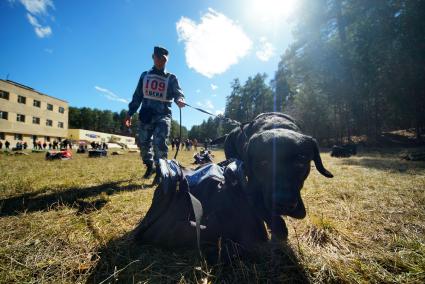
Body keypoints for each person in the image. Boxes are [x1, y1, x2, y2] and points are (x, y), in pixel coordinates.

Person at [125, 46, 185, 180]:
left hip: (163, 115)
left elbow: (178, 93)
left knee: (160, 143)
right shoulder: (145, 76)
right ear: (153, 57)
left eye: (164, 59)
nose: (161, 61)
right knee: (143, 143)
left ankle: (160, 170)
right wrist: (130, 112)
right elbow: (137, 96)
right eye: (158, 58)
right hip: (146, 115)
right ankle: (149, 165)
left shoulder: (171, 78)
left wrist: (180, 99)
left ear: (166, 60)